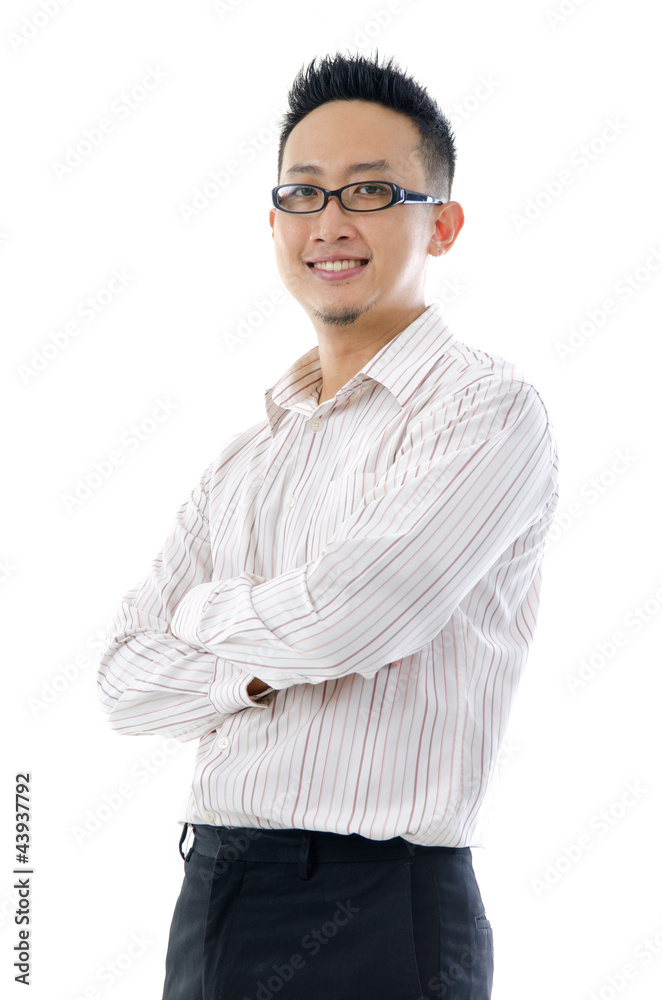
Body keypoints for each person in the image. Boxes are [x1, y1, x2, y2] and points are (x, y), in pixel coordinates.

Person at [97, 50, 559, 1000]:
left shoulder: (484, 410)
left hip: (378, 907)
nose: (330, 223)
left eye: (371, 191)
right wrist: (257, 668)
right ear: (273, 222)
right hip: (212, 895)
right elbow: (122, 683)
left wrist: (202, 615)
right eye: (303, 193)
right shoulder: (245, 459)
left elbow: (354, 620)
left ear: (443, 225)